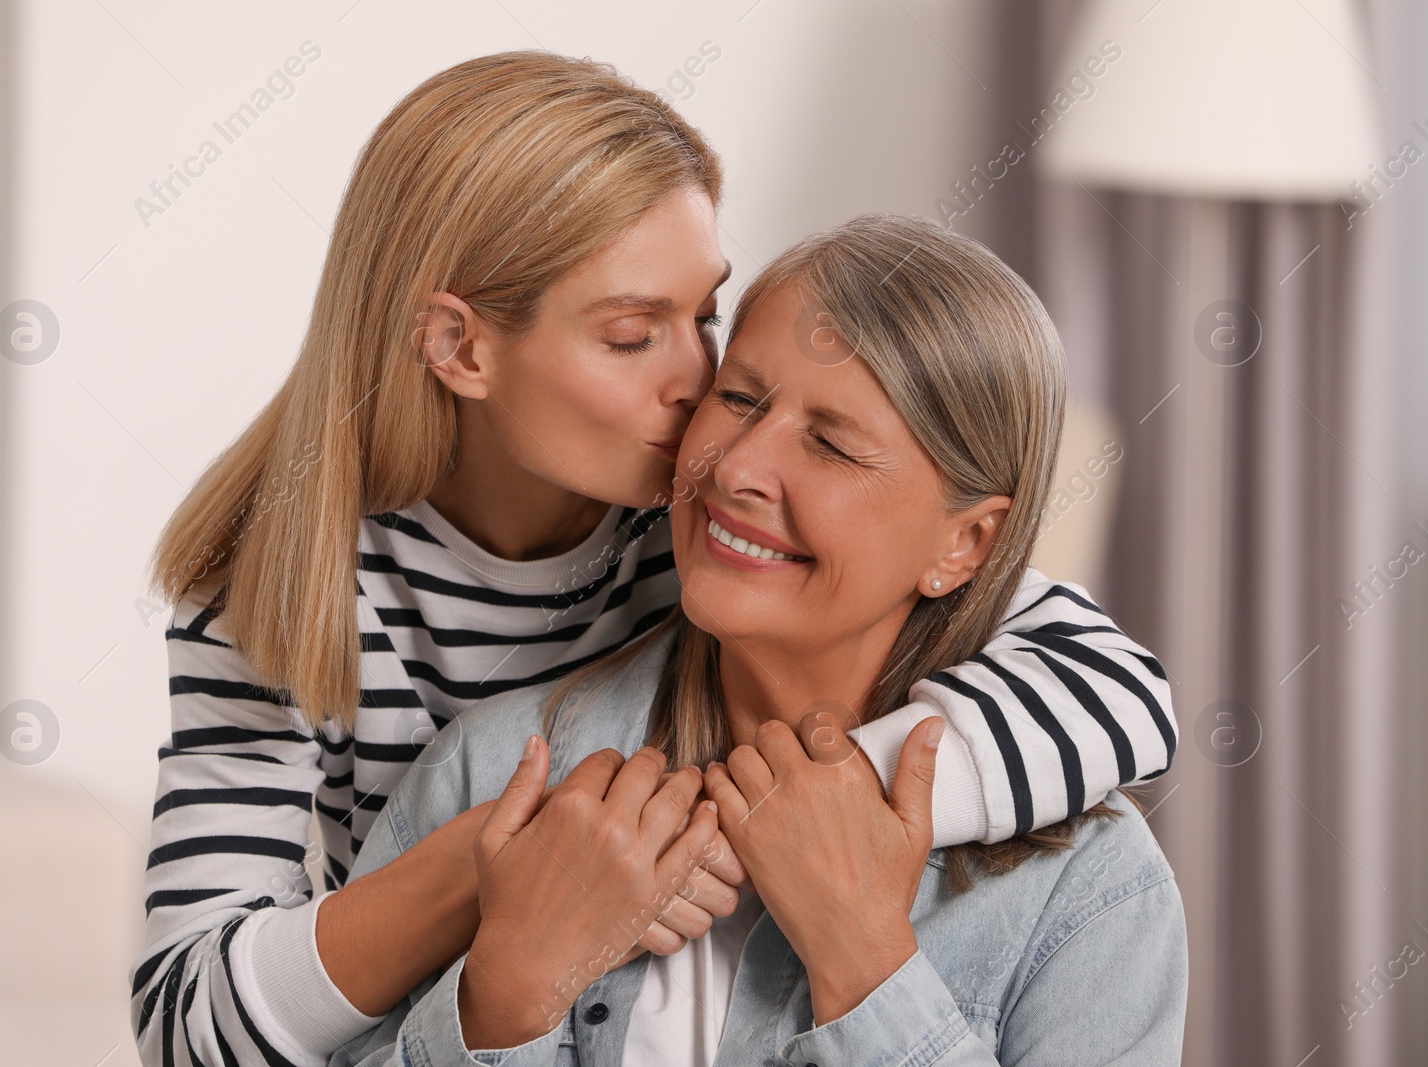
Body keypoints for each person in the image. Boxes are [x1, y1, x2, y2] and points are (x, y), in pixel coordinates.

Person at [133, 52, 1178, 1067]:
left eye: (707, 315)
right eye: (634, 333)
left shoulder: (697, 522)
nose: (700, 395)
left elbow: (1118, 687)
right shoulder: (286, 595)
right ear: (460, 347)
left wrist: (823, 814)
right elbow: (188, 1022)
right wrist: (511, 879)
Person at [329, 215, 1187, 1067]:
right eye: (737, 398)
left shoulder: (1092, 889)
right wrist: (512, 987)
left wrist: (863, 959)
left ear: (965, 544)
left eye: (831, 445)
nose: (735, 468)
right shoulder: (493, 773)